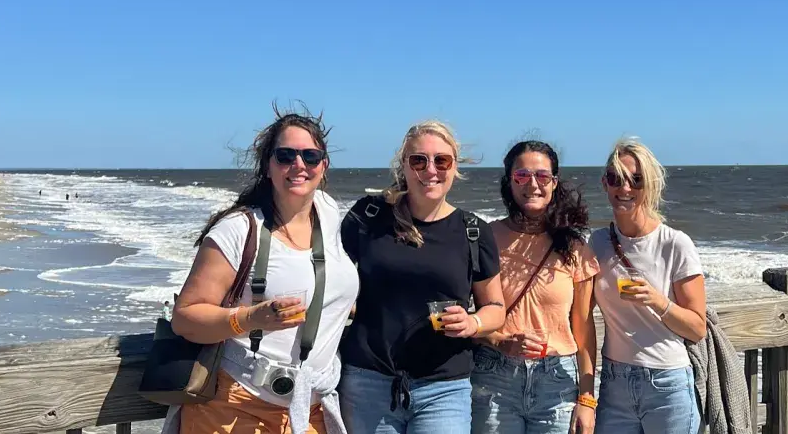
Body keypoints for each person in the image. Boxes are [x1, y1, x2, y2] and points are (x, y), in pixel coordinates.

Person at [169, 108, 359, 434]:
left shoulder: (328, 213)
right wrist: (249, 318)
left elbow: (326, 280)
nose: (299, 165)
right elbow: (185, 318)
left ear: (323, 166)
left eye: (311, 156)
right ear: (268, 165)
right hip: (236, 402)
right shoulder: (238, 230)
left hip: (309, 408)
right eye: (286, 155)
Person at [339, 120, 507, 434]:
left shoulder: (473, 231)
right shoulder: (368, 216)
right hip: (369, 382)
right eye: (419, 160)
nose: (430, 170)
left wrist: (473, 323)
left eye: (441, 160)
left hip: (444, 388)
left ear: (454, 167)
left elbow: (496, 308)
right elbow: (332, 279)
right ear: (403, 165)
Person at [471, 141, 601, 434]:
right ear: (509, 182)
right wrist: (500, 341)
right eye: (522, 175)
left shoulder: (574, 247)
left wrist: (587, 398)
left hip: (557, 380)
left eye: (542, 176)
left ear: (554, 183)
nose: (533, 184)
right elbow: (470, 318)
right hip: (495, 376)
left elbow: (582, 328)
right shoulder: (484, 238)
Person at [590, 138, 706, 434]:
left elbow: (697, 327)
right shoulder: (598, 243)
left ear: (650, 185)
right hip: (614, 381)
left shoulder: (675, 243)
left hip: (666, 383)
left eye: (636, 180)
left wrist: (658, 301)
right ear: (605, 183)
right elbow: (577, 309)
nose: (625, 188)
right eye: (616, 179)